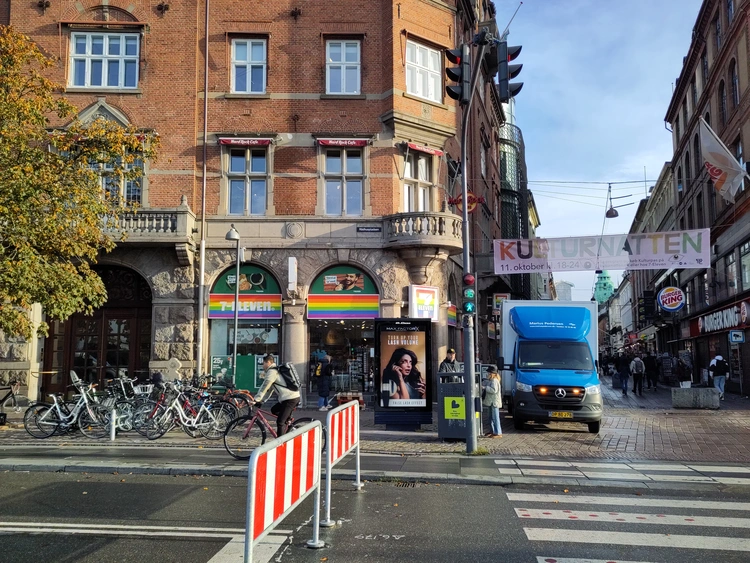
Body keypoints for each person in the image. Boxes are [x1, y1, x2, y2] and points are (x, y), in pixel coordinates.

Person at [253, 354, 301, 437]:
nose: (262, 365)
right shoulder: (274, 371)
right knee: (274, 410)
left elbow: (265, 386)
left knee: (280, 422)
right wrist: (262, 401)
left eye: (263, 363)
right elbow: (269, 390)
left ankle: (280, 443)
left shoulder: (272, 372)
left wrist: (256, 399)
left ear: (268, 362)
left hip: (290, 398)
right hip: (288, 398)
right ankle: (288, 421)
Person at [482, 365, 502, 438]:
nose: (487, 374)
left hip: (494, 402)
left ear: (492, 373)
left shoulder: (494, 381)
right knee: (490, 417)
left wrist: (485, 387)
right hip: (491, 402)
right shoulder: (491, 380)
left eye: (489, 373)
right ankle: (492, 431)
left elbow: (494, 390)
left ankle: (498, 432)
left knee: (495, 417)